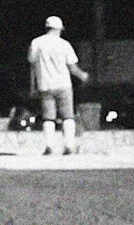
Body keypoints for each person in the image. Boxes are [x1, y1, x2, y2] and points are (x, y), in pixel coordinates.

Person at [27, 15, 90, 155]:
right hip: (63, 85)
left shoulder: (36, 43)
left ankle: (49, 146)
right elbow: (72, 67)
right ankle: (69, 146)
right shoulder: (64, 44)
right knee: (68, 116)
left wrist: (32, 86)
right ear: (58, 29)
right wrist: (83, 76)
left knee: (48, 117)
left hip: (45, 85)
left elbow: (31, 63)